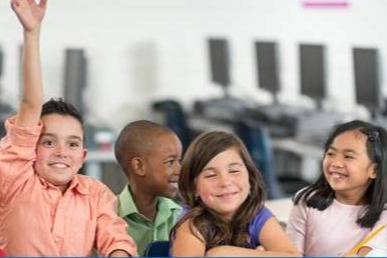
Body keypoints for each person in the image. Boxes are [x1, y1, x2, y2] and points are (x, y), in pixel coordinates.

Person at [0, 0, 137, 256]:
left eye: (72, 143)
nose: (62, 151)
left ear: (82, 156)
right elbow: (30, 104)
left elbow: (116, 240)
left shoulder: (96, 194)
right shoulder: (15, 181)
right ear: (32, 148)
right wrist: (32, 33)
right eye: (49, 142)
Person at [171, 131, 301, 256]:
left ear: (250, 178)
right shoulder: (192, 225)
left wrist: (222, 253)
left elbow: (293, 256)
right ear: (194, 187)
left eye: (234, 171)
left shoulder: (257, 215)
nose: (225, 182)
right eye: (211, 175)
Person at [286, 120, 387, 257]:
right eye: (331, 154)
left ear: (374, 170)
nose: (335, 163)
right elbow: (291, 254)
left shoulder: (384, 212)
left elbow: (369, 253)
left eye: (348, 156)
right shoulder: (307, 200)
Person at [114, 120, 183, 256]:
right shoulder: (108, 218)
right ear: (139, 166)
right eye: (170, 162)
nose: (179, 170)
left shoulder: (180, 217)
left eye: (179, 161)